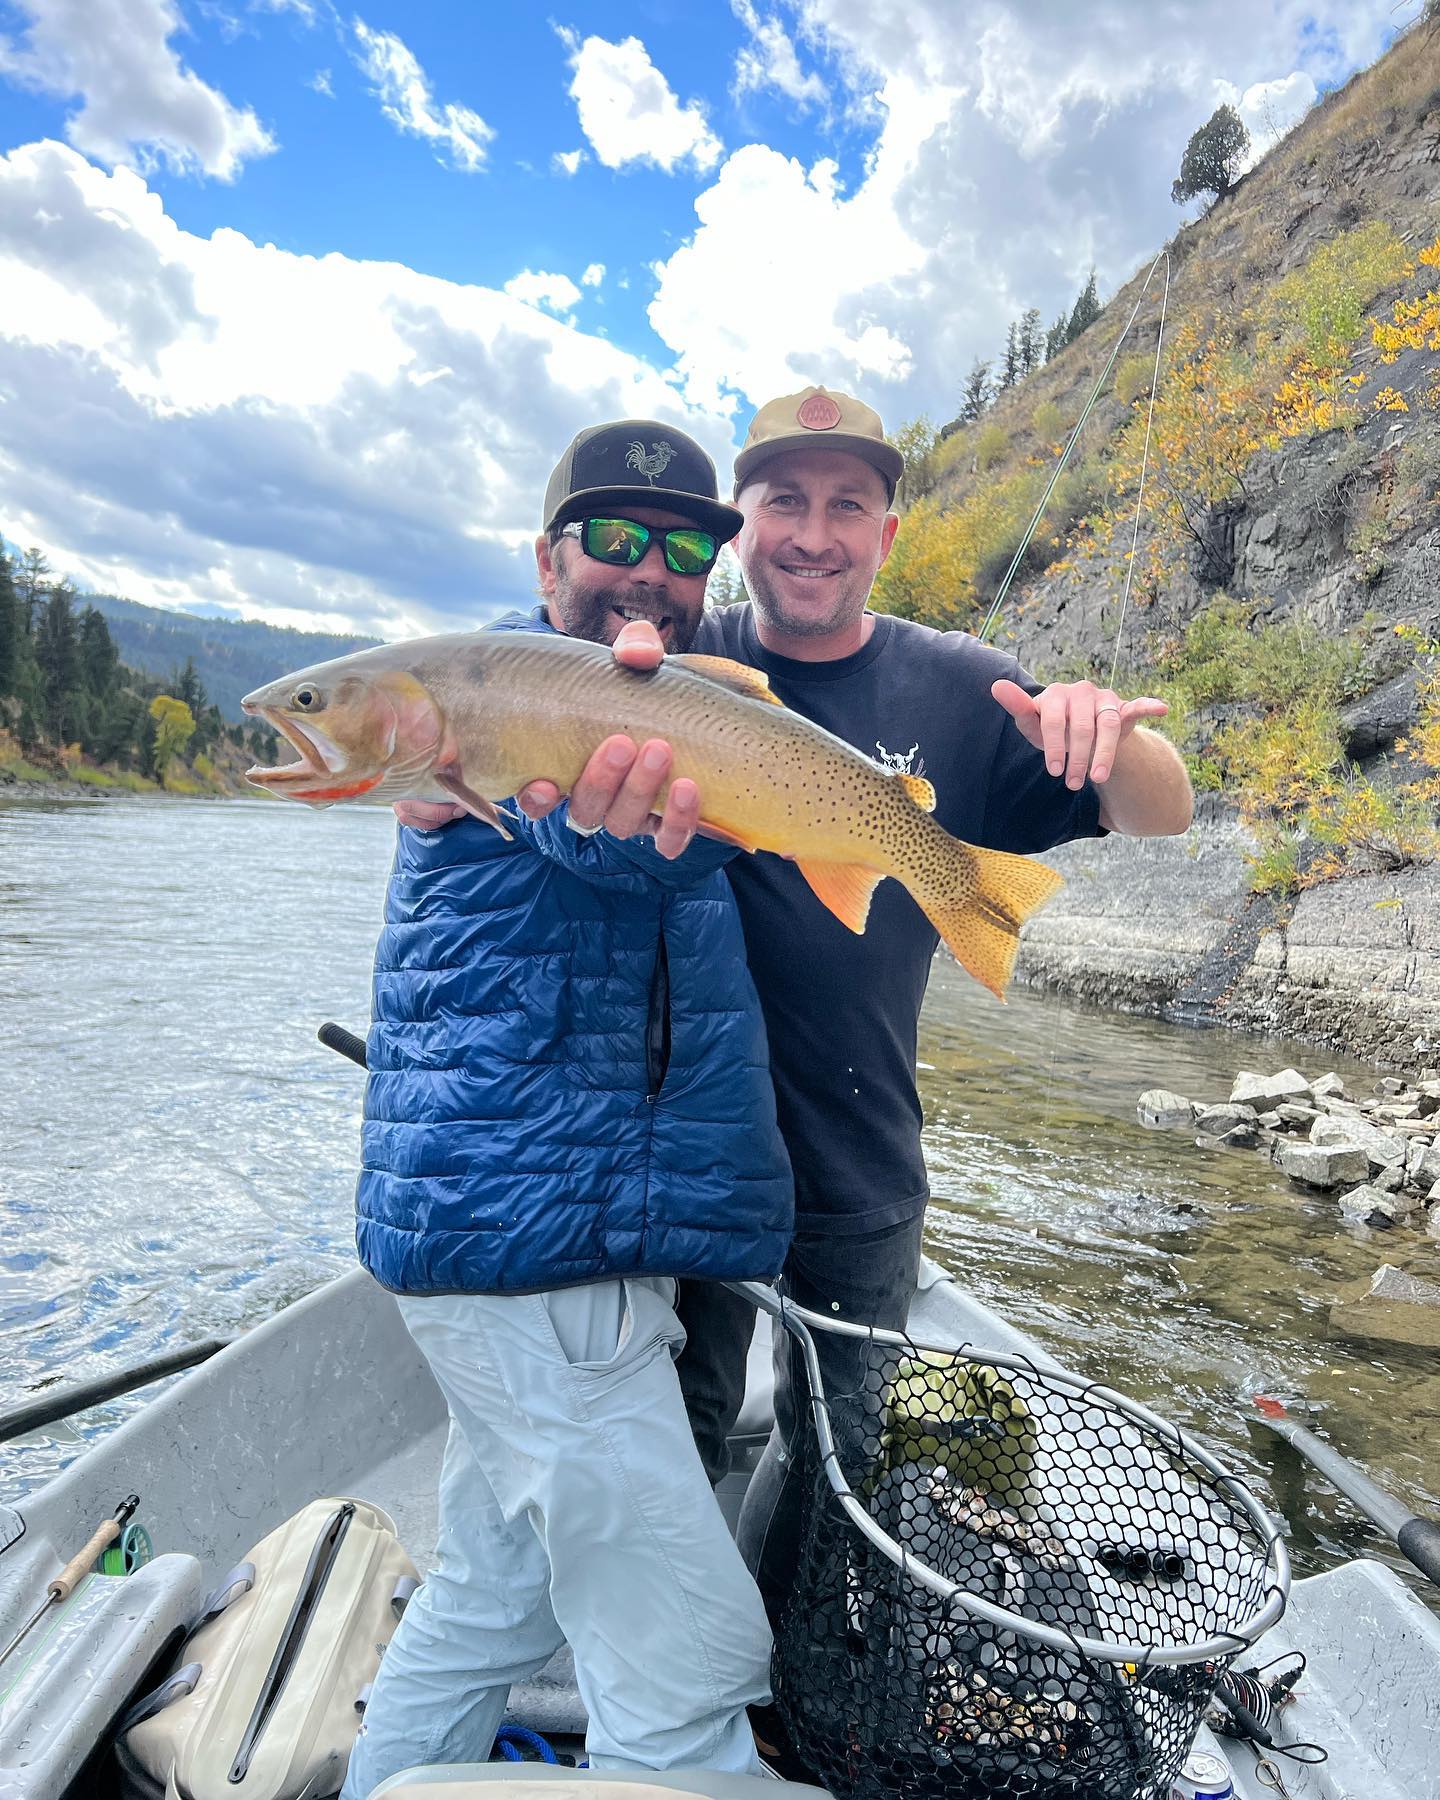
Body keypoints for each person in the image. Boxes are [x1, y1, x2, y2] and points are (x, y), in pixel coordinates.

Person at [506, 385, 1195, 1643]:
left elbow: (1164, 813)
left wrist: (1111, 735)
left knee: (848, 1447)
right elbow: (529, 649)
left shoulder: (961, 684)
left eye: (847, 505)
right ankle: (668, 1665)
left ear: (886, 532)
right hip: (683, 1145)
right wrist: (433, 764)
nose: (812, 533)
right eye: (783, 501)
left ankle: (797, 1666)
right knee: (680, 1425)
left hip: (860, 1148)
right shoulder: (666, 655)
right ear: (745, 526)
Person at [339, 419, 793, 1800]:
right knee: (681, 1670)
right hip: (539, 1267)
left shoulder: (642, 708)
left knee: (491, 1601)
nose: (644, 570)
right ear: (547, 560)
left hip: (510, 1250)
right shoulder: (481, 718)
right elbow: (609, 844)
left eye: (680, 546)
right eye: (609, 540)